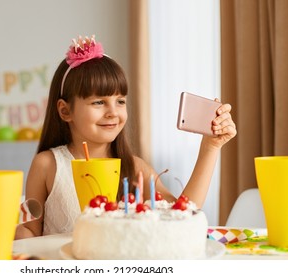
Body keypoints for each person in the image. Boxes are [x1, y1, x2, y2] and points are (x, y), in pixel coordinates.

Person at [15, 35, 237, 239]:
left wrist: (210, 147)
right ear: (65, 111)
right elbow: (30, 232)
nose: (113, 112)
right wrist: (12, 230)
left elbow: (185, 212)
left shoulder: (135, 168)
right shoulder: (47, 165)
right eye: (98, 102)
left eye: (120, 101)